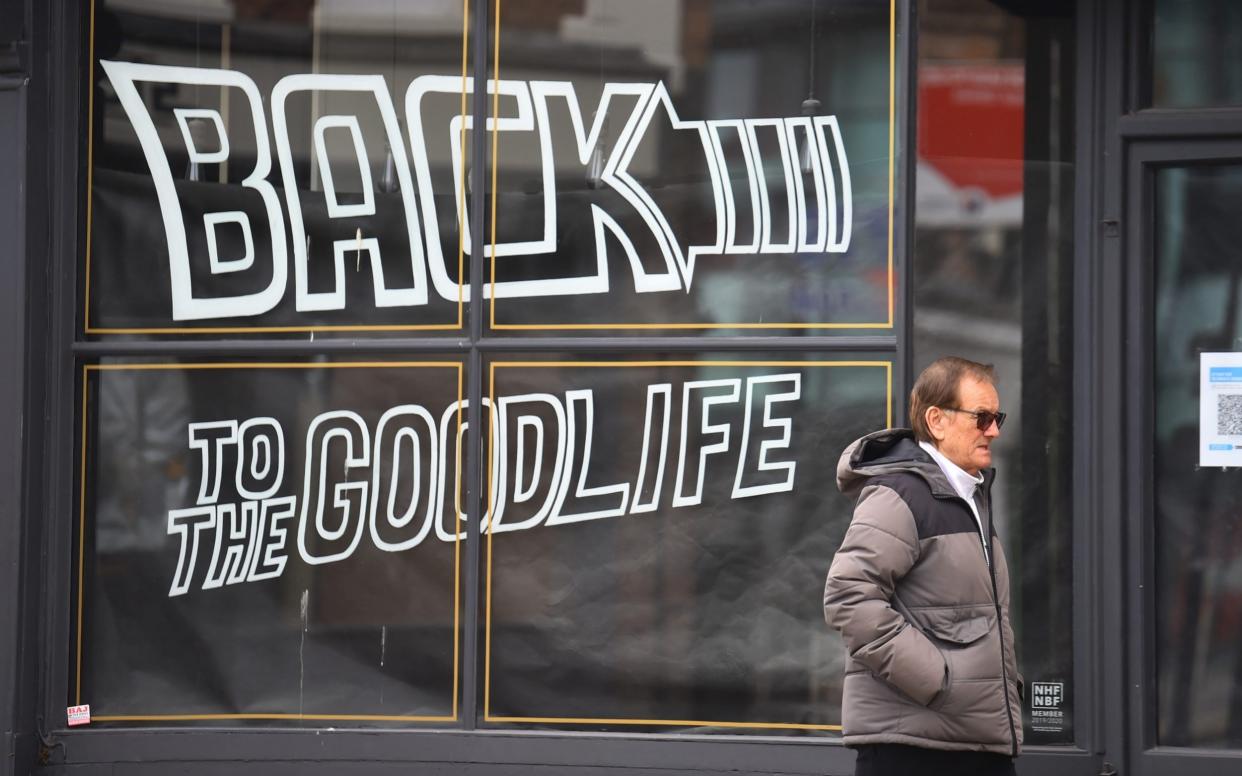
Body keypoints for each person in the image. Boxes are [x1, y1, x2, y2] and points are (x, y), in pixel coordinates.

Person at [823, 356, 1022, 776]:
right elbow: (848, 597)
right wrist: (937, 680)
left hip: (968, 741)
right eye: (982, 417)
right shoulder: (900, 494)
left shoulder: (969, 496)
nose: (995, 430)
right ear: (937, 420)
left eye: (997, 416)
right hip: (915, 748)